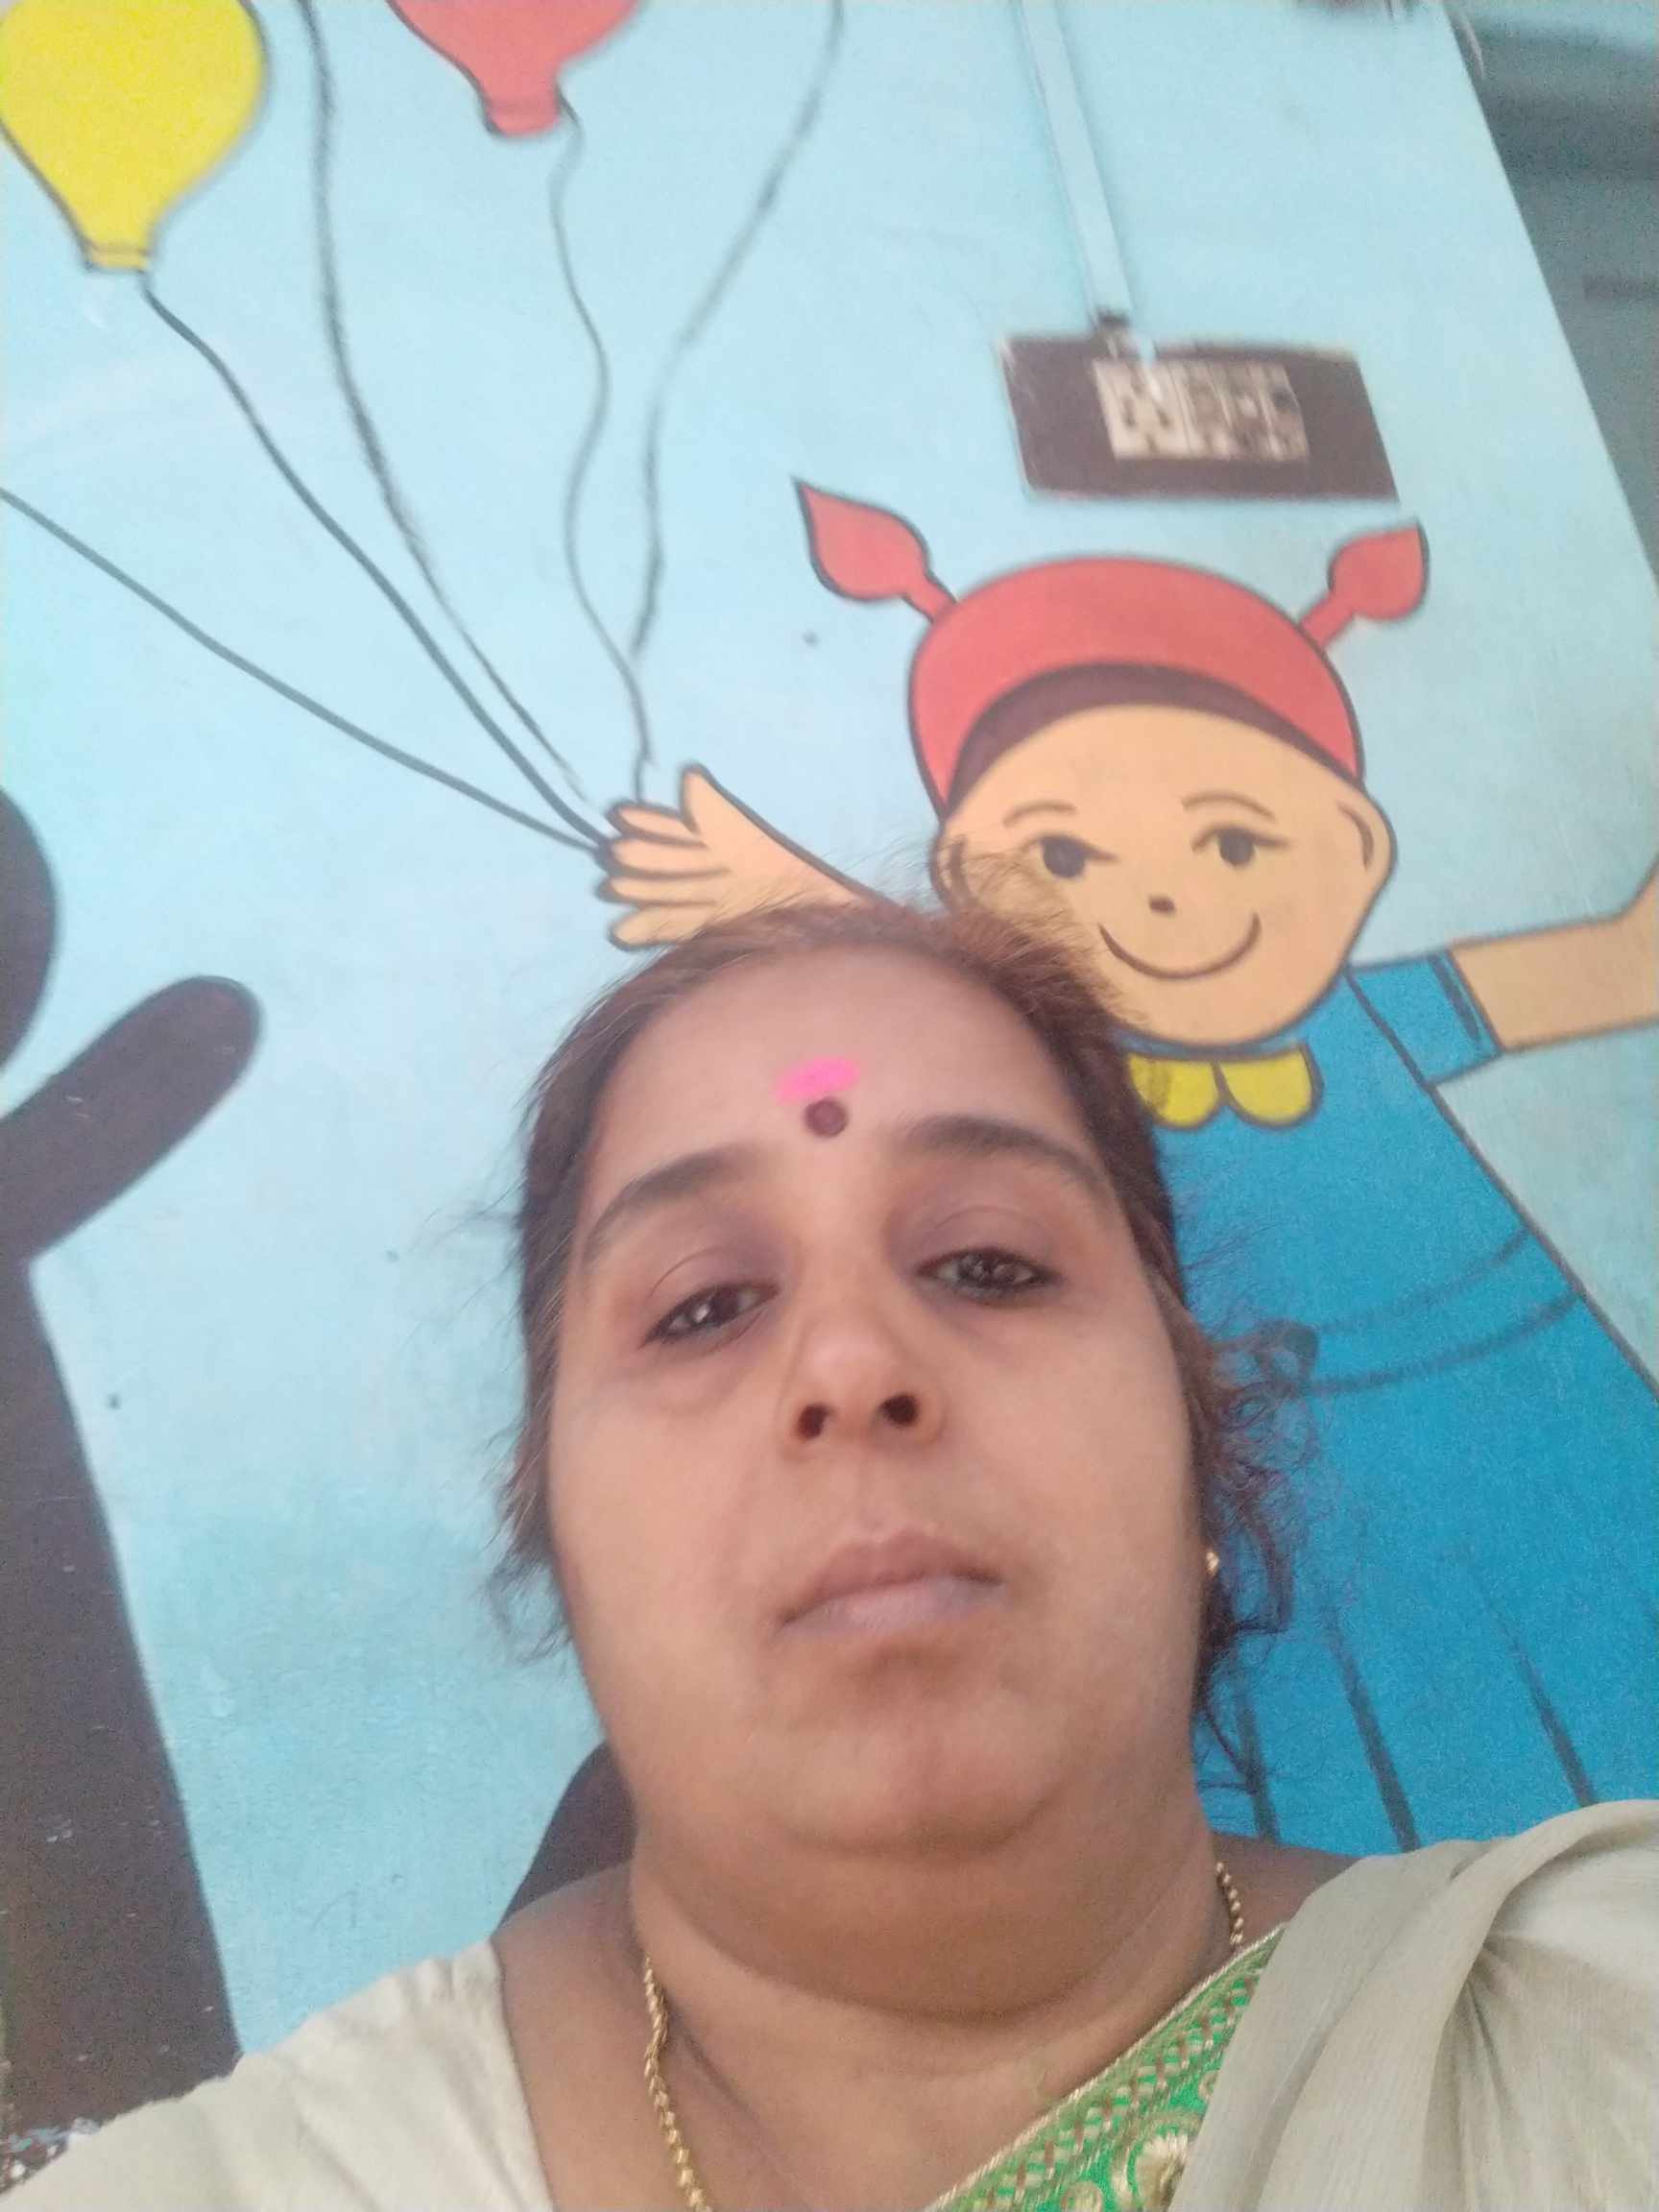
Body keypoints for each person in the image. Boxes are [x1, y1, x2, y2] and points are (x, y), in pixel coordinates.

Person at [14, 902, 1655, 2211]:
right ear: (556, 1532)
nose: (853, 1366)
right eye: (706, 1306)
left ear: (1198, 1455)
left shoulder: (1601, 2019)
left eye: (991, 1263)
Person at [602, 490, 1659, 1851]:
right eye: (1061, 855)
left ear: (1357, 850)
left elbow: (1624, 963)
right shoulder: (1059, 1073)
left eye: (1235, 840)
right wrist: (792, 897)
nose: (1164, 894)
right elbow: (943, 1004)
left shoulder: (1380, 1017)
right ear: (972, 887)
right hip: (1252, 1452)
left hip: (1509, 1393)